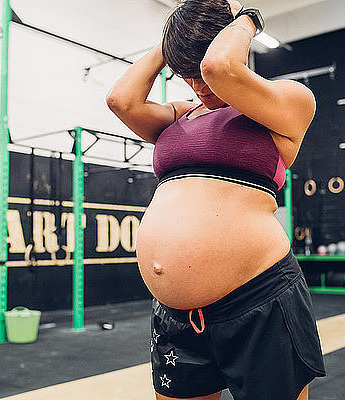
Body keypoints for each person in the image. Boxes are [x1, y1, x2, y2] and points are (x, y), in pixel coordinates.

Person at [106, 0, 326, 399]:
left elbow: (219, 70)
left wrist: (246, 16)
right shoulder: (179, 116)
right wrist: (173, 39)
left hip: (259, 301)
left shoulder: (289, 101)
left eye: (199, 70)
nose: (198, 85)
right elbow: (121, 101)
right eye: (185, 75)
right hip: (177, 317)